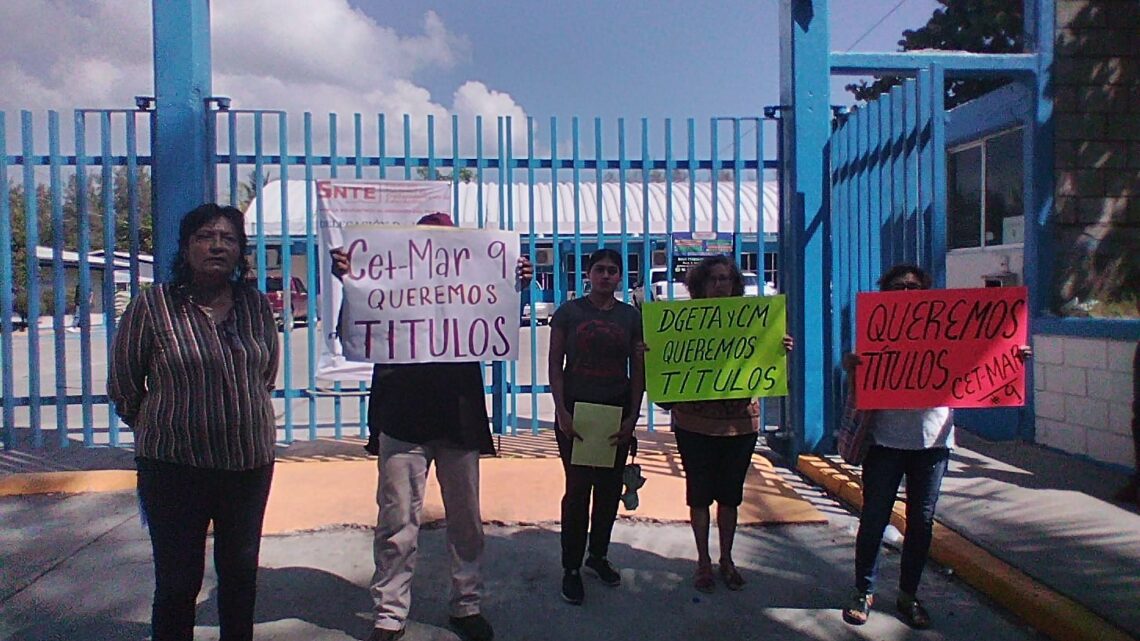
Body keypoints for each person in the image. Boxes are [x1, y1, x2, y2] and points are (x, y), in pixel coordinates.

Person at [329, 212, 532, 641]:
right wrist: (352, 283)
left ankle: (466, 604)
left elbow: (501, 319)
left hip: (458, 415)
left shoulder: (470, 289)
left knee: (466, 521)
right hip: (401, 416)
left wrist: (516, 283)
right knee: (397, 520)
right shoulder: (385, 288)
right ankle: (389, 613)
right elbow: (351, 330)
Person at [108, 203, 279, 641]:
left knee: (240, 576)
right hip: (174, 469)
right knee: (179, 581)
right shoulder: (154, 306)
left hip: (247, 465)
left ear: (240, 251)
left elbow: (265, 375)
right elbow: (125, 384)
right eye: (205, 236)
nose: (217, 245)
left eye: (229, 238)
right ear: (185, 249)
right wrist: (166, 427)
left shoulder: (256, 307)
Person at [840, 264, 1031, 629]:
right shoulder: (878, 328)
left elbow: (986, 353)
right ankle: (863, 591)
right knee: (873, 519)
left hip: (933, 443)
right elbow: (857, 374)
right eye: (898, 287)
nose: (907, 293)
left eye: (914, 286)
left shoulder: (948, 328)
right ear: (886, 292)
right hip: (884, 443)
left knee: (921, 523)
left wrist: (1013, 357)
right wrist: (852, 366)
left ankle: (908, 596)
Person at [659, 255, 793, 593]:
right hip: (694, 425)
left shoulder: (754, 322)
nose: (720, 284)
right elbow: (667, 371)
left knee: (730, 497)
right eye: (713, 279)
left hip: (740, 426)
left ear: (736, 284)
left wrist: (779, 350)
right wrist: (654, 355)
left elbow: (769, 373)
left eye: (726, 279)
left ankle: (727, 558)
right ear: (700, 285)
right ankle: (703, 561)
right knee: (699, 496)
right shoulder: (683, 323)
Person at [548, 248, 645, 606]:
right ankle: (571, 567)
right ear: (588, 274)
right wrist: (561, 410)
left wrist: (632, 416)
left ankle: (597, 556)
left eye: (612, 271)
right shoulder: (568, 313)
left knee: (607, 491)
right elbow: (555, 364)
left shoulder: (631, 317)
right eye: (599, 270)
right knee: (577, 491)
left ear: (620, 277)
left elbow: (639, 370)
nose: (606, 276)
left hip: (614, 415)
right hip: (576, 414)